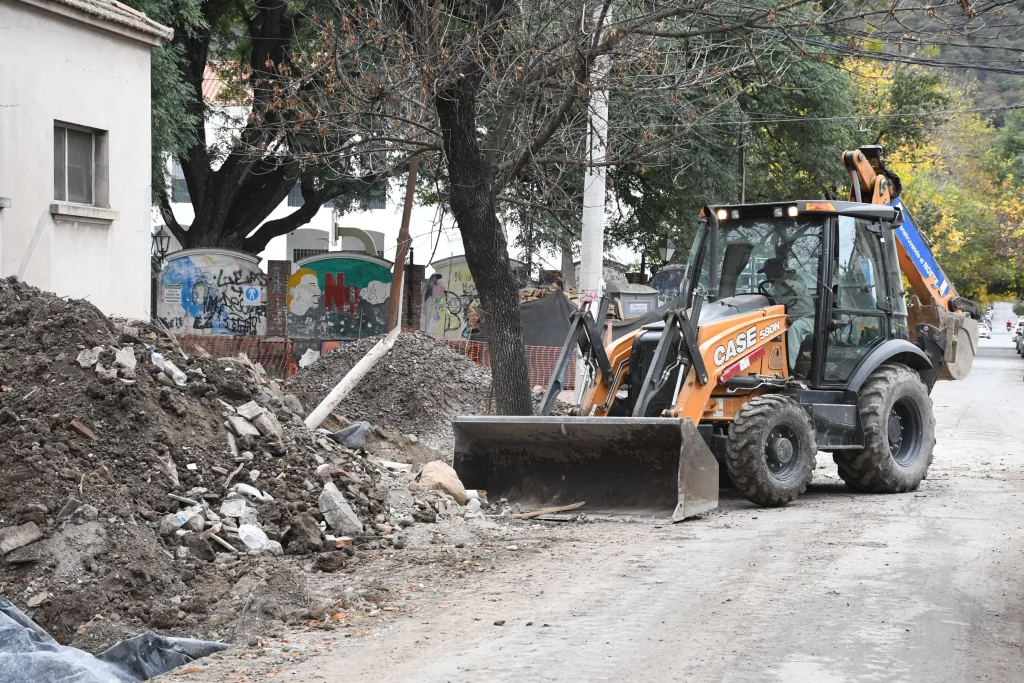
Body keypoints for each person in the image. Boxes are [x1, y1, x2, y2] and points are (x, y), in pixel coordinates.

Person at [759, 257, 814, 374]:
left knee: (794, 329)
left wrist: (784, 282)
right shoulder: (773, 286)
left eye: (769, 271)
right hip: (786, 319)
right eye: (765, 273)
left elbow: (798, 287)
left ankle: (788, 369)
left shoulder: (795, 279)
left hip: (806, 318)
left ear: (778, 269)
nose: (767, 275)